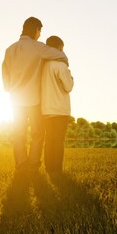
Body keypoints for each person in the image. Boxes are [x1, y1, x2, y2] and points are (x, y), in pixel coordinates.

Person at [2, 17, 66, 172]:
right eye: (39, 31)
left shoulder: (10, 49)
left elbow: (5, 72)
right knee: (37, 134)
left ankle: (21, 164)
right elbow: (60, 55)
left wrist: (10, 88)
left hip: (16, 100)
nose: (40, 35)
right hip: (34, 100)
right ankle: (33, 164)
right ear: (36, 29)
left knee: (19, 134)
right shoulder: (38, 47)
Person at [41, 35, 74, 176]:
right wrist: (71, 77)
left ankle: (49, 168)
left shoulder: (42, 66)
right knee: (58, 141)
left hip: (46, 109)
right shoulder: (61, 65)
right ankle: (57, 170)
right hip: (60, 110)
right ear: (60, 47)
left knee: (49, 139)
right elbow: (68, 87)